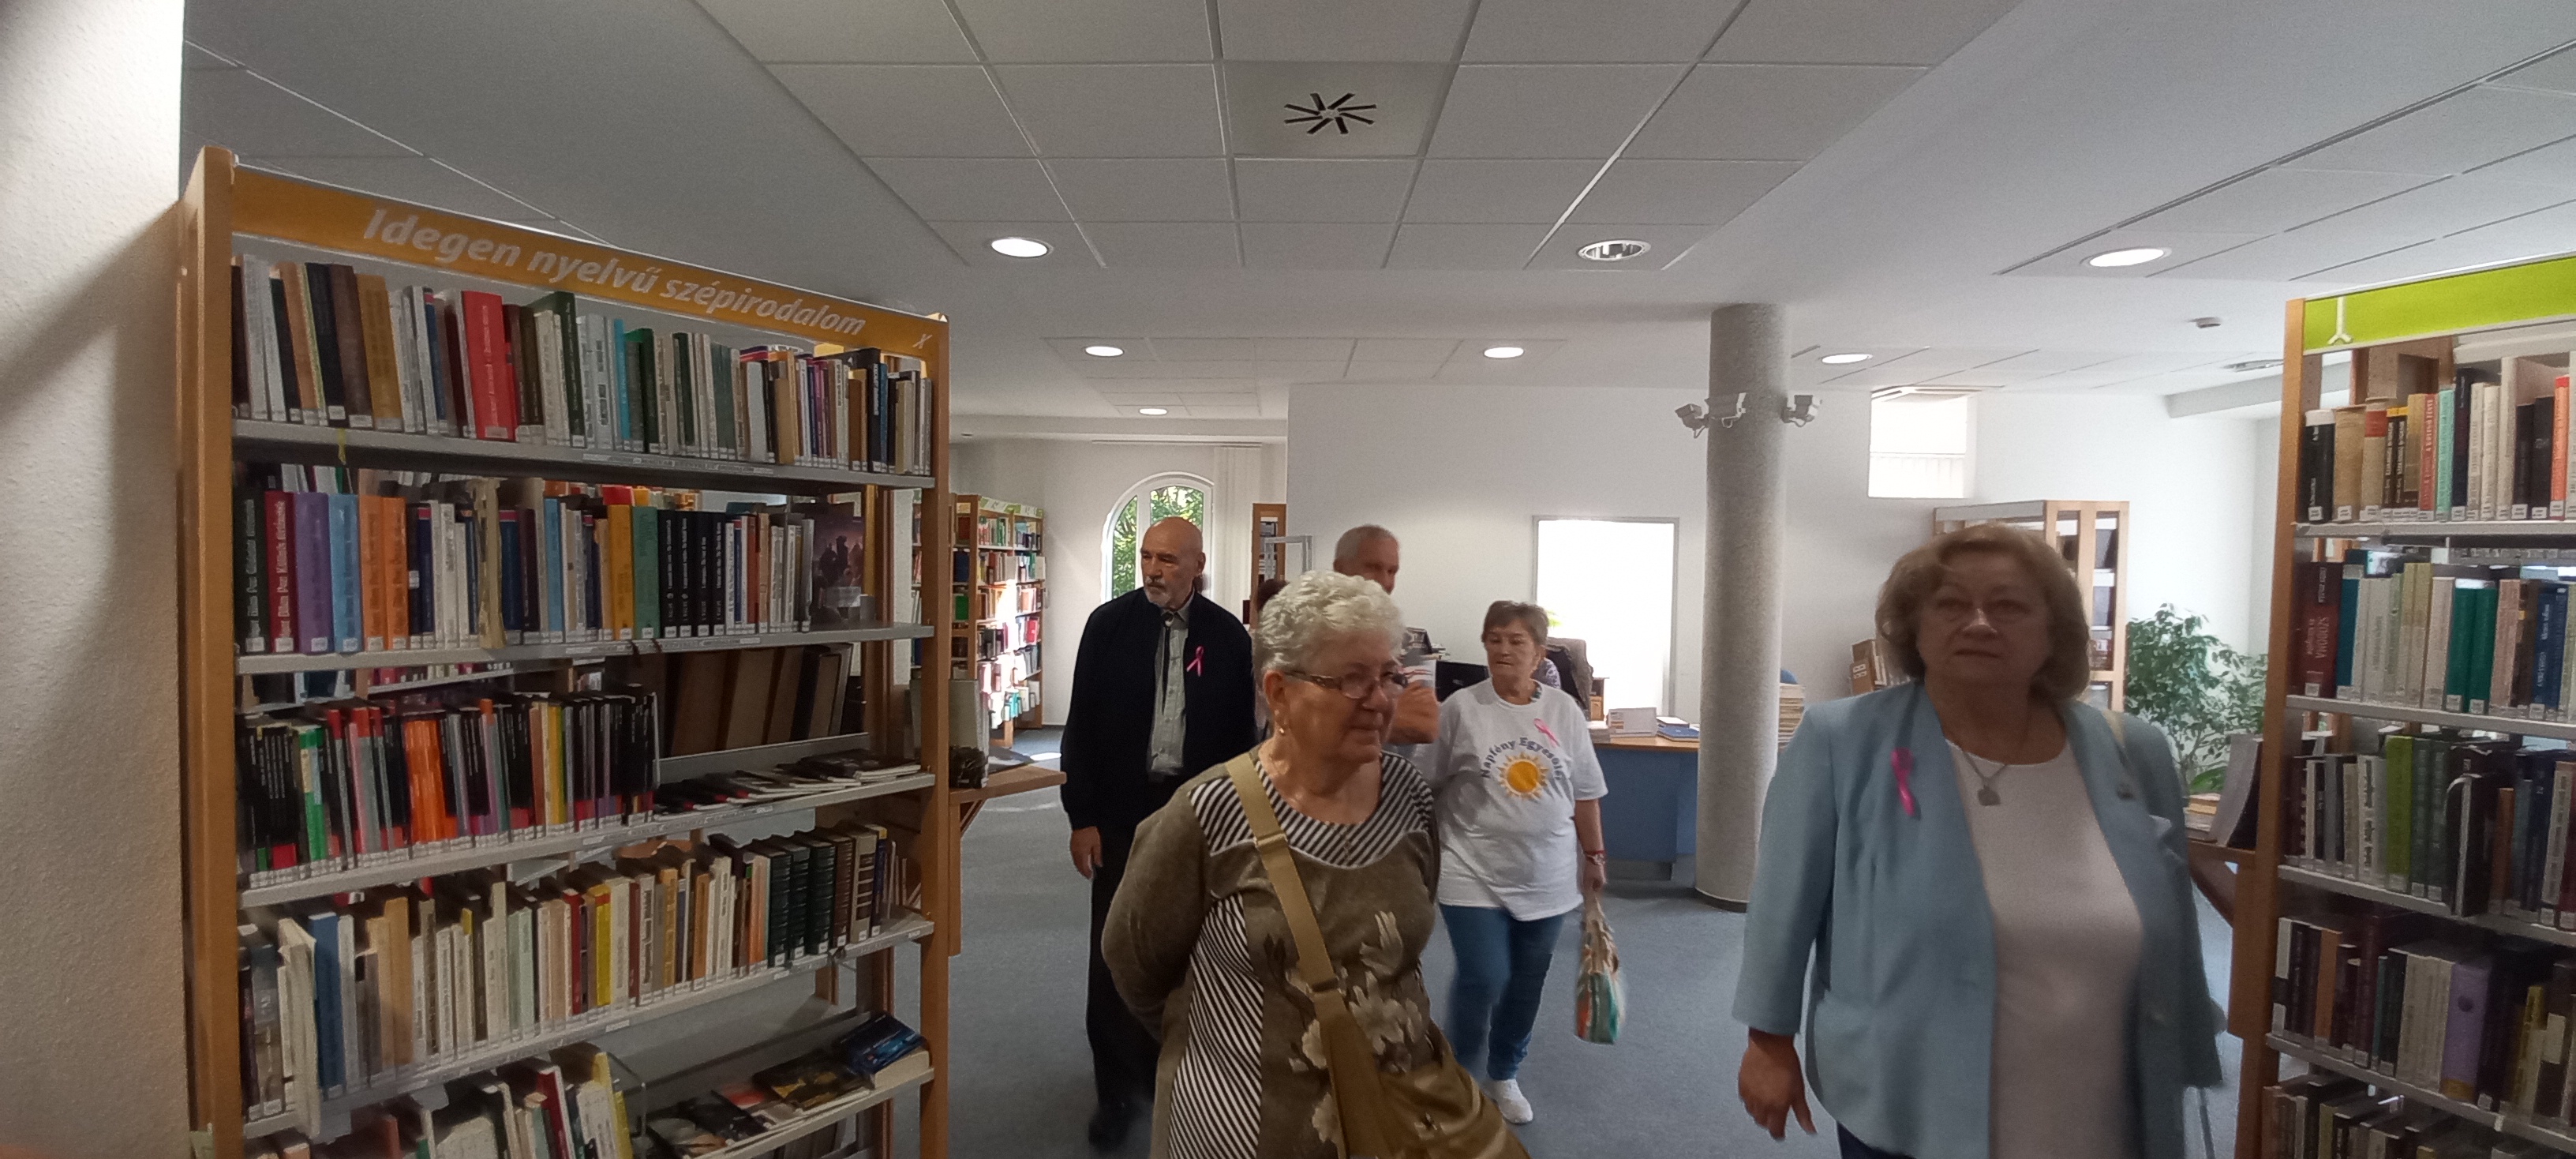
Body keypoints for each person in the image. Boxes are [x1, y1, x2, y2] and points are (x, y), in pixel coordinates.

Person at [1733, 523, 2222, 1159]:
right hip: (1912, 1090)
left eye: (2009, 606)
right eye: (1951, 604)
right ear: (1916, 627)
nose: (1980, 623)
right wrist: (1769, 1040)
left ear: (2053, 632)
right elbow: (1782, 903)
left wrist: (2188, 1046)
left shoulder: (2134, 750)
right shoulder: (1842, 740)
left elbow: (2174, 914)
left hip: (2106, 1098)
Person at [1103, 571, 1519, 1159]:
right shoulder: (1207, 813)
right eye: (1352, 679)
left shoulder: (1409, 796)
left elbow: (1407, 928)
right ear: (1279, 692)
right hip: (1244, 1128)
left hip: (1397, 1117)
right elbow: (1135, 964)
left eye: (1389, 676)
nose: (1381, 700)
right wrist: (1232, 1042)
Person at [1059, 516, 1258, 1149]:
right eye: (1147, 556)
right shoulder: (1108, 627)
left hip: (1194, 818)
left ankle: (1172, 1076)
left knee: (1187, 952)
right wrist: (1082, 817)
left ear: (1197, 565)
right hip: (1121, 815)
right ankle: (1116, 1094)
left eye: (1168, 559)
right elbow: (1080, 726)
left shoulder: (1227, 638)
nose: (1152, 569)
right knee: (1113, 951)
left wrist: (1232, 822)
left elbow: (1240, 740)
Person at [1428, 601, 1608, 1125]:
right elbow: (1429, 781)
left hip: (1547, 874)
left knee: (1527, 984)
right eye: (1494, 639)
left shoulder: (1563, 712)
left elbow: (1585, 791)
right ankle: (1460, 1072)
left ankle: (1504, 1072)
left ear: (1539, 653)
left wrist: (1594, 855)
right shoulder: (1461, 709)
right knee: (1484, 975)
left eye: (1516, 641)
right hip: (1471, 868)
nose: (1503, 650)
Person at [1332, 524, 1437, 749]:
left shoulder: (1410, 642)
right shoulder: (1314, 637)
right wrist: (1396, 711)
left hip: (1392, 770)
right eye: (1373, 568)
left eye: (1392, 571)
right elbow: (1300, 721)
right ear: (1340, 569)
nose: (1385, 582)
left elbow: (1425, 724)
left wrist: (1343, 715)